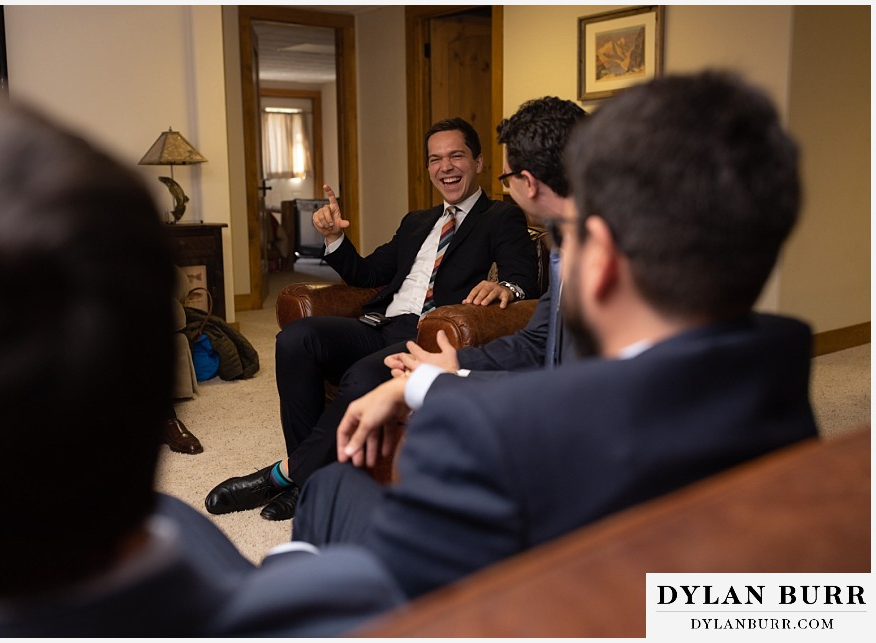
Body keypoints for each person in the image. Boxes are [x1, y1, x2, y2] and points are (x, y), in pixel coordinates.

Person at [292, 71, 819, 599]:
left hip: (534, 585)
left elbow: (571, 408)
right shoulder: (783, 377)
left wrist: (433, 390)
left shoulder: (471, 436)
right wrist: (447, 375)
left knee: (330, 493)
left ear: (602, 258)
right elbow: (563, 369)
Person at [0, 62, 403, 637]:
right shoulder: (371, 604)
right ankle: (300, 488)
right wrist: (291, 570)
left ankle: (295, 477)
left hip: (406, 337)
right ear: (151, 386)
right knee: (333, 485)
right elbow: (370, 271)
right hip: (270, 588)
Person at [205, 117, 540, 521]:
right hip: (382, 324)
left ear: (479, 162)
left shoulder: (499, 217)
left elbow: (521, 276)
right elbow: (366, 274)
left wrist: (509, 288)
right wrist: (333, 238)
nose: (446, 167)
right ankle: (312, 478)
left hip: (429, 336)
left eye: (456, 156)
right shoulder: (417, 222)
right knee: (296, 338)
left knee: (363, 374)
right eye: (436, 159)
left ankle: (285, 478)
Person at [384, 96, 588, 394]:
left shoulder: (606, 254)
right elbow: (537, 341)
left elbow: (574, 384)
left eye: (506, 178)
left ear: (528, 183)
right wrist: (452, 361)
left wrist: (440, 381)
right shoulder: (568, 245)